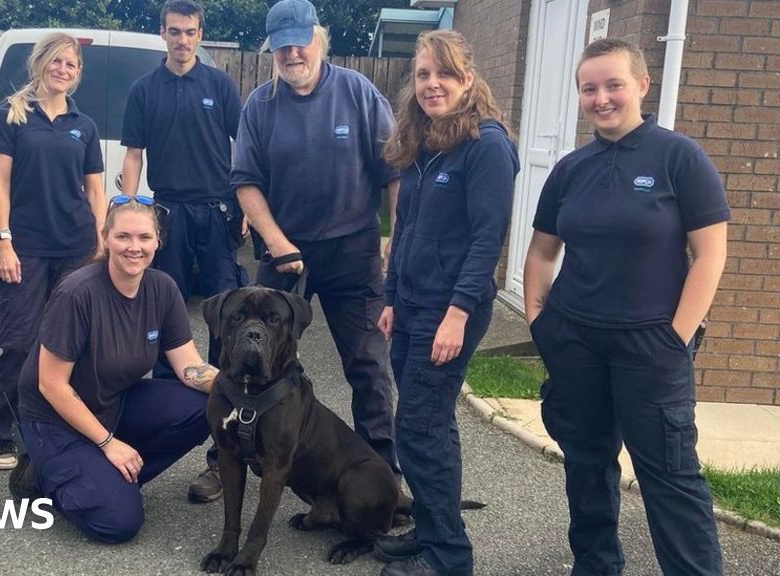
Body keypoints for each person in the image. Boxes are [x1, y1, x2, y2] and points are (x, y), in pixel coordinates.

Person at [523, 38, 728, 576]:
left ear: (641, 85)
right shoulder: (571, 168)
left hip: (651, 347)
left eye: (613, 84)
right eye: (589, 88)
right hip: (575, 342)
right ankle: (595, 567)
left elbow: (710, 254)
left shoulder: (679, 157)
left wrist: (676, 337)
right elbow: (542, 251)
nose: (601, 98)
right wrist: (539, 320)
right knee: (587, 467)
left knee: (671, 476)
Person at [231, 0, 401, 477]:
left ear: (319, 41)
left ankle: (380, 473)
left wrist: (397, 239)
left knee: (367, 367)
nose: (291, 54)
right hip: (284, 253)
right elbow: (246, 182)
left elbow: (394, 175)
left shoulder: (359, 93)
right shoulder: (259, 106)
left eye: (299, 43)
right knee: (250, 358)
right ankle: (233, 459)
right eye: (281, 46)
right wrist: (276, 241)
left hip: (354, 252)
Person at [373, 30, 519, 576]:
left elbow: (488, 239)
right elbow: (403, 224)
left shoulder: (486, 146)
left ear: (468, 78)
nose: (433, 84)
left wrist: (457, 314)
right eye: (424, 74)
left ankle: (449, 557)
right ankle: (433, 530)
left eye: (445, 74)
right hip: (410, 303)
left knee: (419, 426)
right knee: (428, 424)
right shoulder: (421, 142)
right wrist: (390, 298)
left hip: (450, 309)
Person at [14, 195, 217, 543]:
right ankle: (45, 473)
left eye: (144, 238)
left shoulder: (163, 289)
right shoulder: (77, 293)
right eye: (123, 237)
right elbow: (51, 385)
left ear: (158, 241)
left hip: (112, 402)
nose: (134, 247)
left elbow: (189, 368)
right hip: (53, 418)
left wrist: (240, 386)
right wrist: (109, 443)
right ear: (106, 237)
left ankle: (106, 478)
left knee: (203, 408)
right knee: (117, 523)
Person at [119, 0, 243, 504]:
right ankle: (155, 448)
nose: (182, 40)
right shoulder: (144, 90)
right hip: (166, 214)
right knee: (164, 325)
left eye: (190, 32)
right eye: (174, 31)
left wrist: (250, 210)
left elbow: (245, 146)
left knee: (226, 329)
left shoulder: (220, 86)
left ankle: (222, 461)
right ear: (163, 32)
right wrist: (128, 214)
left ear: (201, 33)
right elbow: (132, 155)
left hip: (216, 216)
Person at [0, 32, 107, 471]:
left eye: (71, 65)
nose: (63, 70)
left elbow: (95, 188)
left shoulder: (84, 125)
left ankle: (64, 428)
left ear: (77, 74)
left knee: (72, 344)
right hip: (27, 247)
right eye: (56, 61)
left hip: (75, 247)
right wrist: (4, 240)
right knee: (19, 343)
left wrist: (100, 242)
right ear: (40, 64)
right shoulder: (12, 115)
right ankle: (7, 433)